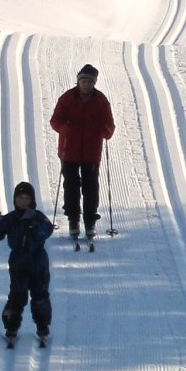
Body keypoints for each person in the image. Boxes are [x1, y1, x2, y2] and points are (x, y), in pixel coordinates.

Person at [49, 63, 116, 251]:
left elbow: (110, 125)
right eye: (83, 81)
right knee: (71, 186)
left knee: (90, 187)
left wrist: (107, 130)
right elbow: (55, 121)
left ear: (94, 83)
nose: (86, 84)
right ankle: (73, 220)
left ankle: (90, 221)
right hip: (68, 150)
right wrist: (64, 128)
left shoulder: (101, 101)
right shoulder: (66, 99)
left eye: (89, 81)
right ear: (78, 81)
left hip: (91, 152)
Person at [0, 181, 54, 347]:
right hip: (18, 262)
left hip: (38, 261)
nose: (23, 201)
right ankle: (11, 327)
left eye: (27, 198)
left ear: (32, 200)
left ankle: (43, 326)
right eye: (20, 198)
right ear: (15, 199)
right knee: (17, 295)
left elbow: (47, 231)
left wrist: (33, 222)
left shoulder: (38, 216)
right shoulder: (11, 218)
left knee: (40, 295)